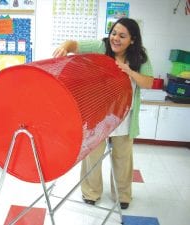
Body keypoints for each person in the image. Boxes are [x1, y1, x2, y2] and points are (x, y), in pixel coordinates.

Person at [53, 18, 154, 209]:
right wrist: (65, 46)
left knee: (123, 158)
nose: (116, 38)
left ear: (132, 40)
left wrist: (129, 71)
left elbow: (148, 82)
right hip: (99, 114)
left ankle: (123, 195)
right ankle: (91, 192)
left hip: (124, 115)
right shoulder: (101, 46)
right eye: (114, 33)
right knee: (93, 154)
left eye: (122, 36)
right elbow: (74, 44)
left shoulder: (140, 56)